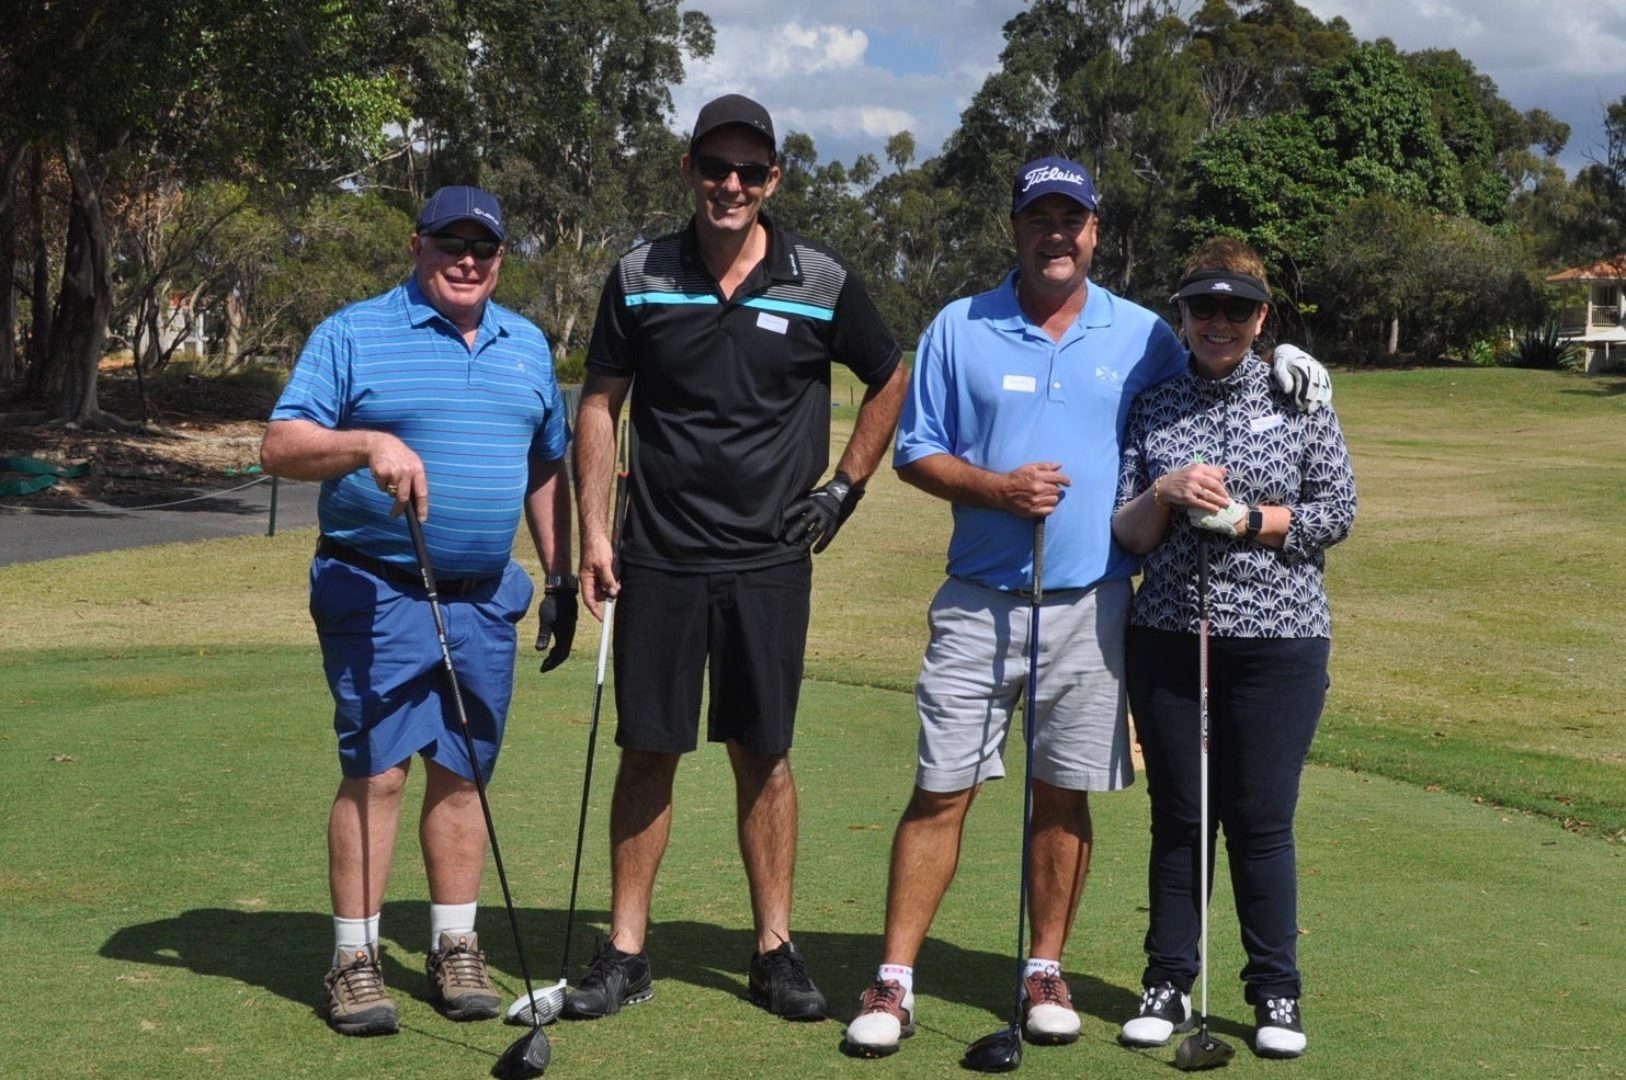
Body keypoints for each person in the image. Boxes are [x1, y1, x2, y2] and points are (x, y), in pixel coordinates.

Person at [843, 159, 1331, 1058]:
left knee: (1063, 796)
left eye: (1072, 219)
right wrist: (996, 488)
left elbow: (1218, 364)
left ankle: (1045, 971)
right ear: (1016, 227)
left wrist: (1288, 358)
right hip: (980, 600)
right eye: (1040, 218)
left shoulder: (1140, 333)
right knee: (941, 790)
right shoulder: (958, 326)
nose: (1056, 234)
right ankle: (894, 980)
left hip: (1093, 604)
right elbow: (915, 452)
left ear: (1096, 232)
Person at [564, 94, 908, 1024]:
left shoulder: (820, 278)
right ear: (689, 170)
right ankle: (625, 949)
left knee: (764, 753)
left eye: (749, 171)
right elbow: (599, 403)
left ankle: (774, 950)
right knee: (649, 749)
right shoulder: (639, 272)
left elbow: (890, 375)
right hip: (659, 554)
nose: (730, 184)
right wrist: (594, 532)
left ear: (773, 181)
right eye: (715, 167)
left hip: (769, 558)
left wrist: (845, 487)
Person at [259, 185, 576, 1038]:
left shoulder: (526, 344)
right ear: (417, 245)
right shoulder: (353, 333)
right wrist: (368, 443)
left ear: (501, 259)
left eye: (483, 248)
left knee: (465, 769)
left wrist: (559, 575)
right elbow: (280, 445)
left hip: (484, 597)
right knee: (380, 770)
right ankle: (354, 959)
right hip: (379, 586)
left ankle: (454, 945)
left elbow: (546, 464)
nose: (466, 260)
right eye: (450, 243)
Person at [1111, 237, 1355, 1059]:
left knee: (1259, 820)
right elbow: (1127, 533)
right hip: (1170, 636)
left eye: (1237, 309)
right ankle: (1167, 980)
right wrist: (1164, 493)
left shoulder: (1298, 395)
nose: (1219, 322)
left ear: (1261, 318)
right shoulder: (1154, 403)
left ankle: (1275, 991)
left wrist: (1249, 520)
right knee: (1181, 815)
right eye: (1203, 307)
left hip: (1280, 641)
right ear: (1180, 314)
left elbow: (1336, 511)